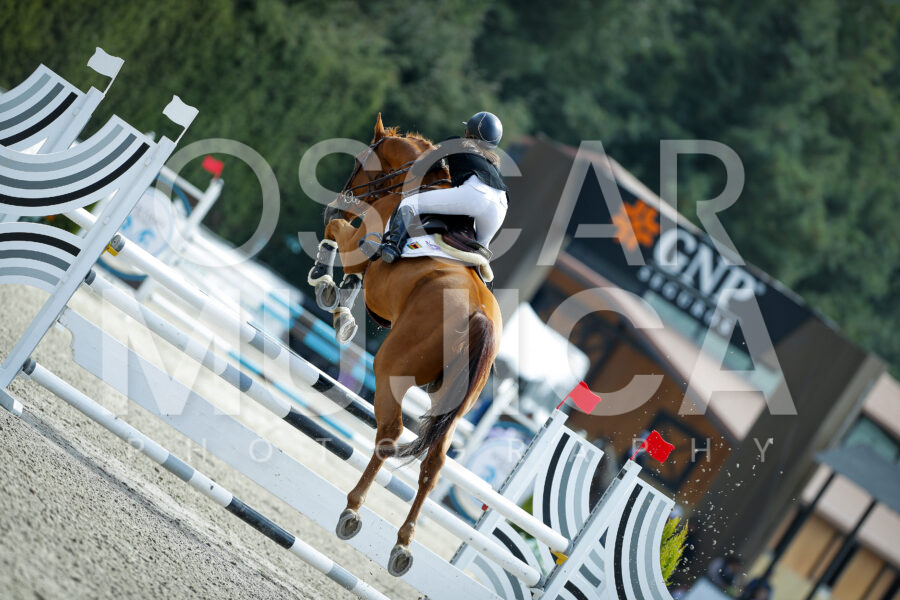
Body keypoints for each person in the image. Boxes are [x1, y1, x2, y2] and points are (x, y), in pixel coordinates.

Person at [376, 111, 509, 264]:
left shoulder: (455, 142)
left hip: (476, 194)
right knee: (479, 254)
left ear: (468, 132)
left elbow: (423, 166)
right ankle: (482, 277)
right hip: (501, 205)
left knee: (410, 203)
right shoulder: (494, 163)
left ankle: (392, 247)